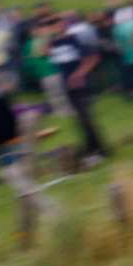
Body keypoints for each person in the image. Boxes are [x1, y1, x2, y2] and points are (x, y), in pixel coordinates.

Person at [43, 14, 110, 162]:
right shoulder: (54, 43)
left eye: (54, 24)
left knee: (86, 118)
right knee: (78, 120)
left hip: (81, 84)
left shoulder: (74, 39)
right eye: (48, 25)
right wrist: (48, 38)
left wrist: (79, 74)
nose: (51, 27)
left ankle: (100, 149)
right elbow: (44, 53)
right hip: (68, 86)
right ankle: (91, 147)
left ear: (61, 24)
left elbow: (93, 58)